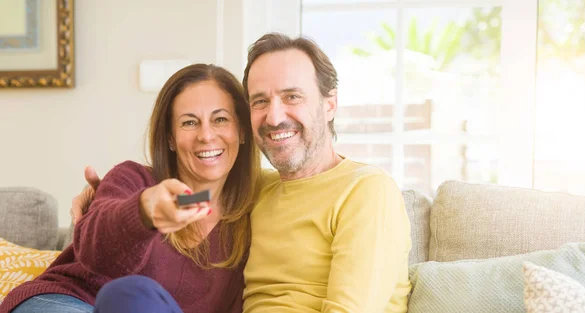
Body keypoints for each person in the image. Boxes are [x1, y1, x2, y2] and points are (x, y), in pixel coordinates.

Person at [71, 33, 412, 313]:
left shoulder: (367, 191)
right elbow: (189, 197)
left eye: (292, 96)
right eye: (260, 101)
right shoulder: (257, 190)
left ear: (329, 103)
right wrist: (110, 203)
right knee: (129, 296)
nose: (275, 116)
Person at [0, 64, 261, 313]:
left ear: (242, 131)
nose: (205, 135)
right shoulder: (132, 178)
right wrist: (143, 211)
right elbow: (94, 247)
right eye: (189, 122)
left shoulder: (260, 205)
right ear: (170, 138)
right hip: (67, 301)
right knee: (131, 295)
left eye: (221, 119)